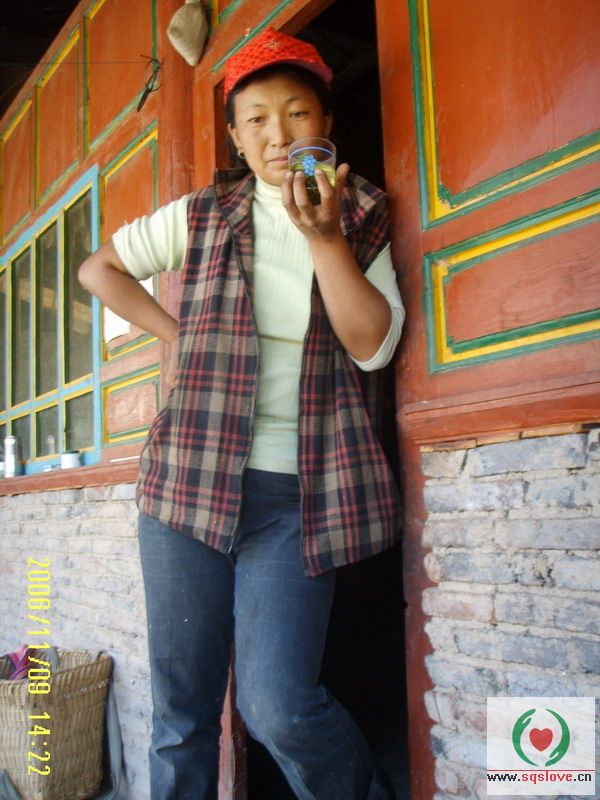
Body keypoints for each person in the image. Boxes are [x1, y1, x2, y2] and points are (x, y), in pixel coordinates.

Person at [79, 26, 404, 800]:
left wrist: (323, 239)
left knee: (278, 705)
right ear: (233, 135)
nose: (278, 135)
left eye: (297, 113)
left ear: (325, 124)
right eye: (256, 118)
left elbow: (373, 348)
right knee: (182, 712)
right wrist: (178, 336)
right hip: (186, 485)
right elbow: (100, 270)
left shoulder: (361, 212)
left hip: (297, 497)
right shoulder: (204, 213)